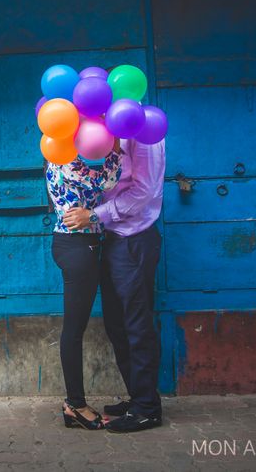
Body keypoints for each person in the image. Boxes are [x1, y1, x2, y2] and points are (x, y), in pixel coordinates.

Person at [63, 137, 165, 433]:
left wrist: (94, 215)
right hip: (114, 237)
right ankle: (138, 397)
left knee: (136, 323)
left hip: (134, 238)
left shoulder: (144, 132)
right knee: (116, 323)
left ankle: (147, 409)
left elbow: (144, 192)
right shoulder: (112, 132)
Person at [44, 148, 121, 430]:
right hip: (77, 246)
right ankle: (75, 404)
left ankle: (74, 403)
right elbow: (107, 181)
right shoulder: (63, 158)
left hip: (81, 245)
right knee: (74, 330)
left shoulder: (67, 157)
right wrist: (115, 149)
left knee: (76, 328)